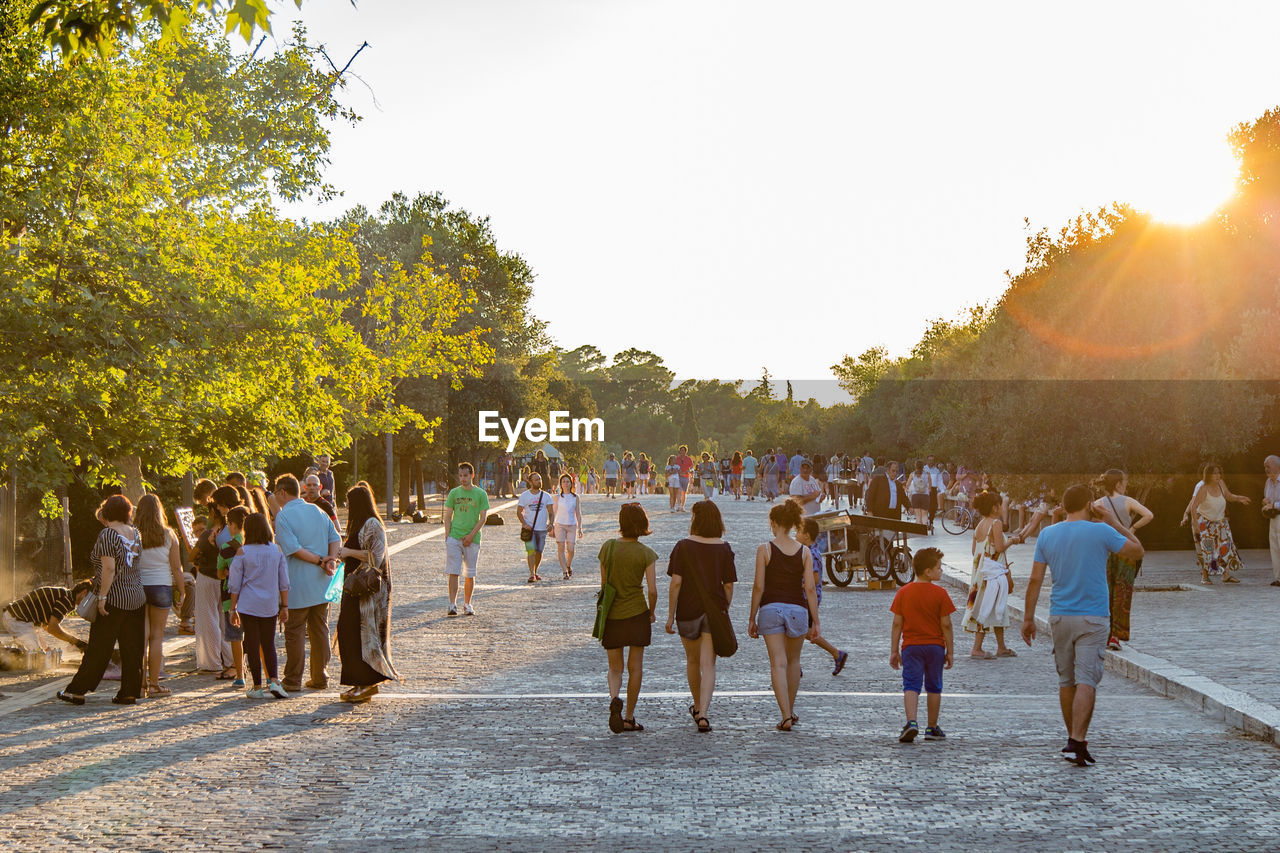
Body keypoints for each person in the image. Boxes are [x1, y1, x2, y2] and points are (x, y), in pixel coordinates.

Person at [1021, 484, 1145, 767]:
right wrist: (1113, 521)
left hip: (1060, 616)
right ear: (1090, 504)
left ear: (1063, 506)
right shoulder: (1101, 531)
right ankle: (1076, 740)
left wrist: (1028, 618)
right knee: (1086, 679)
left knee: (1066, 681)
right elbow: (1138, 551)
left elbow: (1035, 580)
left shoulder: (1047, 534)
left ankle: (1073, 739)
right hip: (1093, 617)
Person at [58, 496, 145, 706]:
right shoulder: (136, 533)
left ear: (107, 512)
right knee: (133, 648)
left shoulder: (108, 534)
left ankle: (77, 690)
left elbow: (109, 568)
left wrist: (102, 597)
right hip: (136, 596)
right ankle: (129, 692)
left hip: (114, 597)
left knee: (99, 647)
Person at [747, 500, 819, 731]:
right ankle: (791, 708)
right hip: (798, 609)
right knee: (794, 662)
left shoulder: (764, 549)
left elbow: (759, 586)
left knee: (777, 663)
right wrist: (815, 620)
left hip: (770, 609)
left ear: (774, 523)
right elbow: (809, 589)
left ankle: (785, 715)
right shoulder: (805, 552)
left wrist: (752, 617)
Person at [665, 500, 736, 733]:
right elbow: (728, 586)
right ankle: (704, 713)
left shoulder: (682, 546)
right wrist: (723, 608)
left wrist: (670, 615)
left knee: (693, 662)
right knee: (709, 664)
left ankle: (696, 705)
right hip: (713, 611)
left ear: (695, 520)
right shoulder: (724, 548)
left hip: (687, 611)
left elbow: (676, 583)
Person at [272, 474, 342, 693]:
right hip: (322, 583)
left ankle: (293, 679)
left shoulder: (284, 517)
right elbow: (336, 537)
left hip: (298, 584)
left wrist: (320, 560)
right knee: (319, 628)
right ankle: (320, 675)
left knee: (294, 633)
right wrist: (329, 559)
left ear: (282, 492)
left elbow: (293, 548)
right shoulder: (317, 510)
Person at [335, 485, 402, 703]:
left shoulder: (372, 524)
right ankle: (357, 682)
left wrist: (348, 552)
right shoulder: (358, 524)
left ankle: (366, 683)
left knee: (361, 636)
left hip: (367, 593)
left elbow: (376, 556)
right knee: (347, 633)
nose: (346, 505)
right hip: (354, 589)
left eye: (349, 501)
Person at [598, 502, 658, 733]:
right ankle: (629, 717)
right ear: (643, 525)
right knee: (636, 668)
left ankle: (614, 697)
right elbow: (652, 590)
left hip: (613, 614)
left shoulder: (608, 548)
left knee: (615, 668)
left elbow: (604, 585)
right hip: (637, 613)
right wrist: (652, 612)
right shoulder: (646, 553)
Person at [889, 547, 956, 742]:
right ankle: (932, 728)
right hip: (935, 647)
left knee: (911, 684)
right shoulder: (941, 594)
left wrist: (894, 650)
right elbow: (946, 624)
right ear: (928, 571)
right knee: (934, 686)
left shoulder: (903, 592)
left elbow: (897, 623)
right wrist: (950, 651)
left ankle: (911, 722)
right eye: (939, 567)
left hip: (911, 647)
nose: (941, 570)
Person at [228, 512, 290, 700]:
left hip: (248, 603)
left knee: (253, 644)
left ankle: (256, 686)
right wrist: (285, 605)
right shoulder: (276, 550)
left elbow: (235, 583)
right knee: (269, 643)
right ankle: (274, 680)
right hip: (269, 603)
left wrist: (233, 609)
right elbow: (284, 581)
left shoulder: (242, 552)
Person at [1092, 469, 1153, 649]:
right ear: (1119, 484)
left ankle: (1104, 633)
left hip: (1106, 552)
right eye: (1124, 482)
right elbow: (1149, 515)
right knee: (1122, 594)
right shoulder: (1128, 501)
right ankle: (1116, 636)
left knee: (1105, 593)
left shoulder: (1098, 504)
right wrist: (1133, 528)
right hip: (1125, 551)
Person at [133, 494, 184, 697]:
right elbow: (177, 568)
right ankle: (154, 685)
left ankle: (138, 684)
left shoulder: (134, 534)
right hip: (161, 587)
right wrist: (182, 590)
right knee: (157, 638)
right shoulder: (169, 534)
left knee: (141, 639)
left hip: (138, 587)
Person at [961, 491, 1016, 659]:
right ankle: (977, 648)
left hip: (979, 572)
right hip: (992, 573)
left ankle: (1001, 646)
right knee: (987, 605)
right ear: (994, 507)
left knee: (994, 604)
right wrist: (1012, 541)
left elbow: (974, 551)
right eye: (1000, 505)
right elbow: (999, 548)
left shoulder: (979, 525)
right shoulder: (996, 524)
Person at [1182, 463, 1250, 584]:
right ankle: (1205, 576)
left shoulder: (1221, 484)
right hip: (1205, 523)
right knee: (1208, 550)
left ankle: (1225, 574)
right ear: (1208, 475)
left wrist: (1239, 498)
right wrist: (1196, 525)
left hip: (1220, 522)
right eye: (1215, 473)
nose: (1218, 475)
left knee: (1226, 547)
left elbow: (1228, 496)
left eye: (1219, 472)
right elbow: (1193, 507)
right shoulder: (1203, 488)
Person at [796, 518, 848, 675]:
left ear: (806, 535)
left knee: (802, 631)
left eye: (798, 531)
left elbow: (815, 578)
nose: (796, 535)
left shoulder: (810, 553)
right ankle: (795, 664)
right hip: (807, 597)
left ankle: (836, 653)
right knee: (800, 630)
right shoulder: (808, 550)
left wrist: (799, 584)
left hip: (808, 597)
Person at [443, 462, 489, 616]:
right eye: (461, 475)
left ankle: (468, 604)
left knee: (469, 573)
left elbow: (483, 518)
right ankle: (452, 604)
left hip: (473, 538)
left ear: (472, 475)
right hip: (455, 537)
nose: (462, 479)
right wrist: (448, 535)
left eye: (465, 475)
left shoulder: (480, 494)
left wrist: (471, 535)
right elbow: (448, 515)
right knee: (453, 572)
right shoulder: (454, 493)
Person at [190, 505, 230, 673]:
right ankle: (230, 658)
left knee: (208, 620)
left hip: (207, 577)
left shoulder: (207, 536)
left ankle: (211, 661)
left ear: (213, 514)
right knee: (224, 620)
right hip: (225, 579)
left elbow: (191, 556)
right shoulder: (230, 534)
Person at [3, 581, 92, 654]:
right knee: (35, 655)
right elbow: (53, 628)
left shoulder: (65, 594)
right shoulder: (66, 600)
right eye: (89, 599)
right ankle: (4, 653)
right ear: (84, 592)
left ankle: (12, 650)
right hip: (17, 619)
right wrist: (76, 642)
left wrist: (44, 647)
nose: (88, 604)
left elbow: (45, 625)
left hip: (19, 619)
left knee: (41, 653)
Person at [217, 506, 249, 687]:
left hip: (231, 598)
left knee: (236, 637)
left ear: (232, 524)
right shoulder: (253, 546)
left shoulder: (226, 548)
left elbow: (220, 574)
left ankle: (239, 674)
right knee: (255, 636)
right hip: (253, 597)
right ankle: (266, 675)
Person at [517, 472, 551, 583]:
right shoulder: (525, 496)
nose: (539, 481)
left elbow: (551, 512)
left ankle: (536, 571)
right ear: (530, 482)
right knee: (531, 551)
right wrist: (524, 524)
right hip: (529, 529)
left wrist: (551, 523)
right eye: (536, 480)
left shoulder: (546, 496)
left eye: (540, 479)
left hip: (542, 529)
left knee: (539, 552)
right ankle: (531, 573)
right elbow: (519, 512)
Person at [551, 473, 584, 580]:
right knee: (560, 548)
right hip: (559, 524)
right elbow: (554, 512)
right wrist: (551, 525)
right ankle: (564, 571)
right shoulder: (557, 498)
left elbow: (578, 513)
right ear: (560, 484)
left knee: (571, 548)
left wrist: (580, 528)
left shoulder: (575, 497)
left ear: (571, 483)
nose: (566, 483)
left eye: (568, 481)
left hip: (572, 525)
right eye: (563, 481)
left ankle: (568, 564)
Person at [1264, 455, 1280, 587]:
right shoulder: (1268, 482)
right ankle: (1278, 578)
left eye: (1268, 466)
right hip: (1273, 518)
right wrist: (1266, 502)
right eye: (1265, 467)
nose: (1266, 469)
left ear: (1277, 466)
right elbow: (1267, 497)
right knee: (1274, 547)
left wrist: (1274, 505)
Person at [923, 456, 945, 533]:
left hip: (933, 489)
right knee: (926, 507)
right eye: (929, 460)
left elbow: (939, 481)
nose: (931, 462)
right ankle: (925, 522)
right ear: (927, 461)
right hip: (925, 489)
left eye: (932, 460)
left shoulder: (936, 470)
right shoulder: (924, 469)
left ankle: (931, 521)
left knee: (933, 507)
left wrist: (942, 490)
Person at [907, 461, 931, 527]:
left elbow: (907, 485)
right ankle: (925, 528)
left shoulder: (912, 474)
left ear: (915, 466)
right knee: (924, 514)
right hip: (925, 496)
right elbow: (930, 487)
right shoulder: (927, 474)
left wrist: (908, 490)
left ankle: (919, 529)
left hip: (915, 496)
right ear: (923, 466)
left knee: (917, 515)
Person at [675, 445, 694, 511]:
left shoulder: (688, 459)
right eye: (681, 450)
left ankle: (683, 506)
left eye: (683, 450)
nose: (682, 452)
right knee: (679, 491)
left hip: (686, 477)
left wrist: (690, 473)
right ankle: (678, 505)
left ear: (686, 452)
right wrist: (677, 471)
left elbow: (692, 468)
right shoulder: (676, 459)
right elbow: (674, 466)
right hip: (678, 477)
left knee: (684, 492)